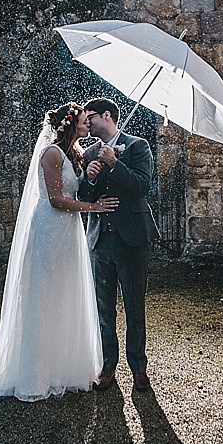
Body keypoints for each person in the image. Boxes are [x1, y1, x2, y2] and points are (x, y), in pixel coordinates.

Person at [0, 102, 118, 402]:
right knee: (43, 295)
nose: (88, 125)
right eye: (84, 121)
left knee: (65, 294)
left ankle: (63, 367)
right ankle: (35, 374)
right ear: (71, 125)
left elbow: (76, 189)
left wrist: (92, 174)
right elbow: (56, 200)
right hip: (49, 228)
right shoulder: (52, 153)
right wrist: (93, 208)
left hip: (69, 232)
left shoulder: (75, 155)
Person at [78, 97, 158, 393]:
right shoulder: (87, 154)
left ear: (106, 116)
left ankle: (138, 368)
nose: (87, 124)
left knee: (135, 306)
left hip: (133, 239)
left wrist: (113, 164)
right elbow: (85, 195)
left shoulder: (138, 146)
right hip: (100, 241)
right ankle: (107, 366)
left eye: (91, 118)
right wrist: (89, 181)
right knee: (103, 309)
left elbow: (142, 186)